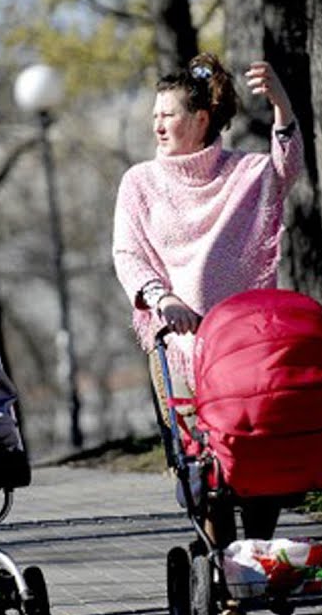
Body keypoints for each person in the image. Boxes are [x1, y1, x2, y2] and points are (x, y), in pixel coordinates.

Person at [111, 53, 304, 558]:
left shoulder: (245, 172)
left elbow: (287, 167)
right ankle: (222, 567)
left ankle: (259, 558)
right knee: (204, 461)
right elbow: (128, 253)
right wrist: (161, 298)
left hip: (247, 344)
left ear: (200, 120)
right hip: (179, 345)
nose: (157, 123)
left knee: (257, 448)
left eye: (168, 114)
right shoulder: (140, 183)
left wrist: (281, 103)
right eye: (154, 115)